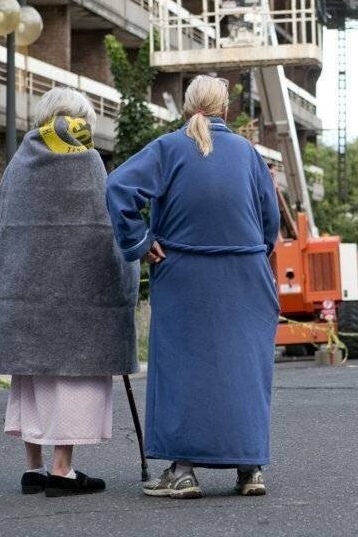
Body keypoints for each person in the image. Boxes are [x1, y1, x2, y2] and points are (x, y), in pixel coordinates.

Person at [106, 75, 279, 499]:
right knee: (244, 368)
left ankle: (182, 471)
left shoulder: (169, 148)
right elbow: (270, 220)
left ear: (187, 108)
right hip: (245, 272)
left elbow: (117, 187)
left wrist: (140, 242)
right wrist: (251, 251)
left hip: (185, 272)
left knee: (183, 368)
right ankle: (249, 468)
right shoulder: (247, 153)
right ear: (225, 109)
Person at [0, 88, 140, 497]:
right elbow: (107, 224)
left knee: (31, 379)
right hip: (78, 302)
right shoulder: (86, 160)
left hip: (25, 297)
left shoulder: (21, 161)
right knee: (73, 380)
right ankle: (62, 469)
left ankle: (33, 469)